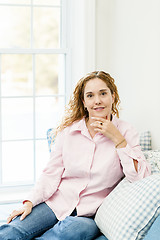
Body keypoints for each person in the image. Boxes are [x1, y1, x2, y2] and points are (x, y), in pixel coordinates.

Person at [0, 71, 152, 240]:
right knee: (12, 230)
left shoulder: (125, 131)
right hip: (56, 203)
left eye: (103, 93)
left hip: (88, 215)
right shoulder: (69, 132)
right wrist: (29, 202)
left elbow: (139, 177)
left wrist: (117, 139)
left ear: (113, 96)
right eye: (90, 95)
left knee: (73, 232)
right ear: (84, 102)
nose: (97, 101)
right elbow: (50, 174)